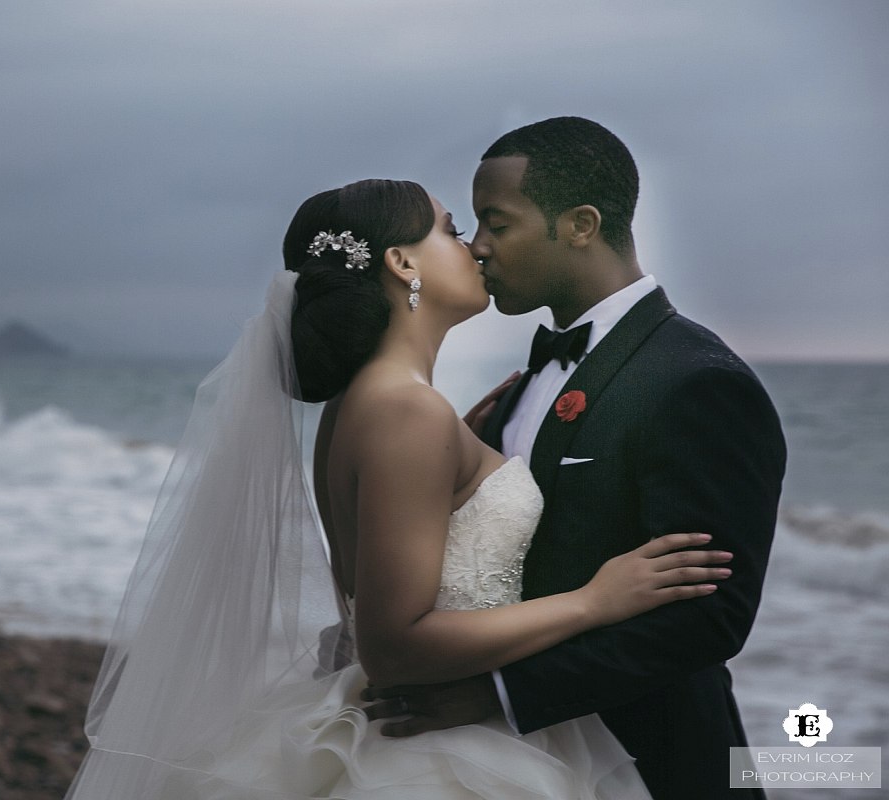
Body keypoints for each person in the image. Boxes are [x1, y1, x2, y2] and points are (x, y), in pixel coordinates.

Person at [65, 178, 735, 799]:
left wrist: (468, 456)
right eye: (448, 230)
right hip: (444, 754)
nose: (472, 245)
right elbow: (393, 644)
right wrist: (595, 601)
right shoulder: (406, 413)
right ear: (402, 264)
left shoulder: (376, 407)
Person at [362, 118, 787, 799]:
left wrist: (499, 694)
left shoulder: (698, 382)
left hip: (653, 761)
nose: (478, 249)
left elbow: (710, 615)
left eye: (497, 224)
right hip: (512, 766)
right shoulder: (513, 395)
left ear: (581, 224)